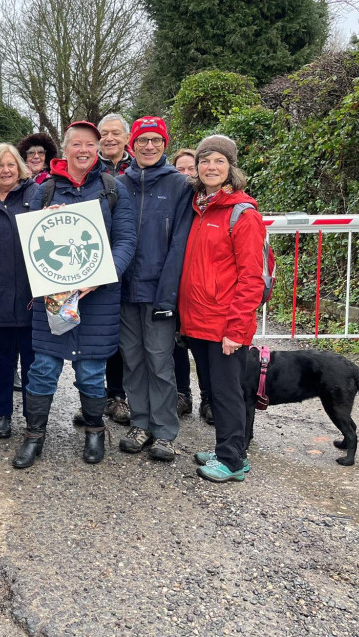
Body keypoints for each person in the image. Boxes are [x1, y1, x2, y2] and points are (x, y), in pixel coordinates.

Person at [12, 121, 136, 469]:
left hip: (98, 299)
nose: (84, 150)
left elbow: (126, 240)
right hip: (53, 295)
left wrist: (103, 275)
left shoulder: (114, 188)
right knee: (43, 368)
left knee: (92, 371)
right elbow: (29, 241)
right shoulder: (45, 189)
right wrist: (41, 223)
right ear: (64, 150)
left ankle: (95, 431)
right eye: (76, 144)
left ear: (98, 149)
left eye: (90, 144)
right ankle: (34, 435)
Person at [179, 135, 267, 483]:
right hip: (198, 321)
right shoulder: (199, 207)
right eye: (205, 161)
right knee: (214, 391)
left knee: (228, 393)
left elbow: (251, 278)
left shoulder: (242, 214)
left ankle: (233, 460)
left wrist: (237, 327)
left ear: (231, 167)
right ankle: (227, 449)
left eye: (219, 161)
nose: (211, 167)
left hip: (225, 324)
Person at [115, 117, 193, 461]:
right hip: (123, 290)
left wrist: (169, 293)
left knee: (160, 363)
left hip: (159, 290)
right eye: (142, 140)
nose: (149, 146)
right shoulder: (118, 183)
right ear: (132, 145)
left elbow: (180, 244)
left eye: (155, 140)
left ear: (165, 144)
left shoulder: (179, 185)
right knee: (133, 361)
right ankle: (141, 423)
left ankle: (164, 432)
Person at [0, 144, 41, 439]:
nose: (6, 170)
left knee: (32, 363)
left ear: (20, 168)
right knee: (1, 362)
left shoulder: (36, 195)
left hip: (30, 296)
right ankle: (3, 414)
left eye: (11, 165)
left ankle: (33, 418)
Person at [96, 113, 134, 425]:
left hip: (129, 260)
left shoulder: (138, 168)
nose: (109, 138)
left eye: (115, 133)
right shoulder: (88, 169)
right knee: (101, 337)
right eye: (104, 133)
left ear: (126, 137)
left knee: (132, 338)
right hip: (93, 266)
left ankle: (127, 396)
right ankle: (104, 397)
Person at [170, 147, 208, 420]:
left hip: (202, 288)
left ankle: (210, 399)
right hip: (175, 285)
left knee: (205, 348)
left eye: (190, 169)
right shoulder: (173, 200)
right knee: (177, 345)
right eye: (179, 169)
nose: (185, 175)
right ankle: (183, 394)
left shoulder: (208, 203)